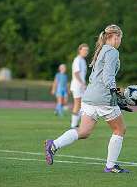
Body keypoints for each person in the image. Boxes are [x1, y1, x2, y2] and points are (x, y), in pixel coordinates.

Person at [44, 24, 130, 173]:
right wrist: (116, 93)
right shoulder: (112, 52)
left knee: (84, 131)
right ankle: (110, 166)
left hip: (89, 97)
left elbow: (93, 76)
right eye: (120, 38)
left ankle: (54, 144)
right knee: (120, 129)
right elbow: (108, 78)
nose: (120, 41)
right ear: (115, 37)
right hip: (103, 98)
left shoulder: (101, 50)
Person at [70, 43, 89, 128]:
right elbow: (76, 73)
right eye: (84, 50)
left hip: (81, 85)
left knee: (83, 104)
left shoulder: (83, 60)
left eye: (87, 50)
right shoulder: (77, 59)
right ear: (79, 50)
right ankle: (73, 124)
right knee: (77, 104)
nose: (86, 52)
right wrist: (82, 83)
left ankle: (79, 123)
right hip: (77, 85)